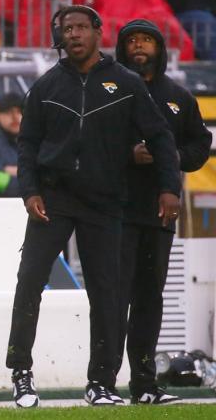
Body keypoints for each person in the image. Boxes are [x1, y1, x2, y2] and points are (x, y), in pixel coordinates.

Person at [7, 4, 181, 409]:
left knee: (107, 294)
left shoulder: (126, 83)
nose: (75, 34)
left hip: (105, 202)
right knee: (29, 281)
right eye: (67, 28)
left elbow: (160, 137)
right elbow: (27, 143)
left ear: (99, 32)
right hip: (53, 198)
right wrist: (29, 191)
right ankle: (21, 372)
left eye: (82, 27)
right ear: (59, 36)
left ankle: (101, 382)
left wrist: (168, 188)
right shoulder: (46, 86)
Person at [114, 20, 212, 404]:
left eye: (147, 40)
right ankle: (102, 383)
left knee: (149, 298)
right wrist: (128, 155)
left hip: (159, 214)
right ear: (121, 48)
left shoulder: (179, 97)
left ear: (160, 47)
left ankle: (144, 384)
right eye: (132, 40)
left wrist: (172, 157)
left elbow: (200, 146)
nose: (139, 47)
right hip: (116, 211)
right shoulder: (111, 92)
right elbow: (88, 146)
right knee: (111, 299)